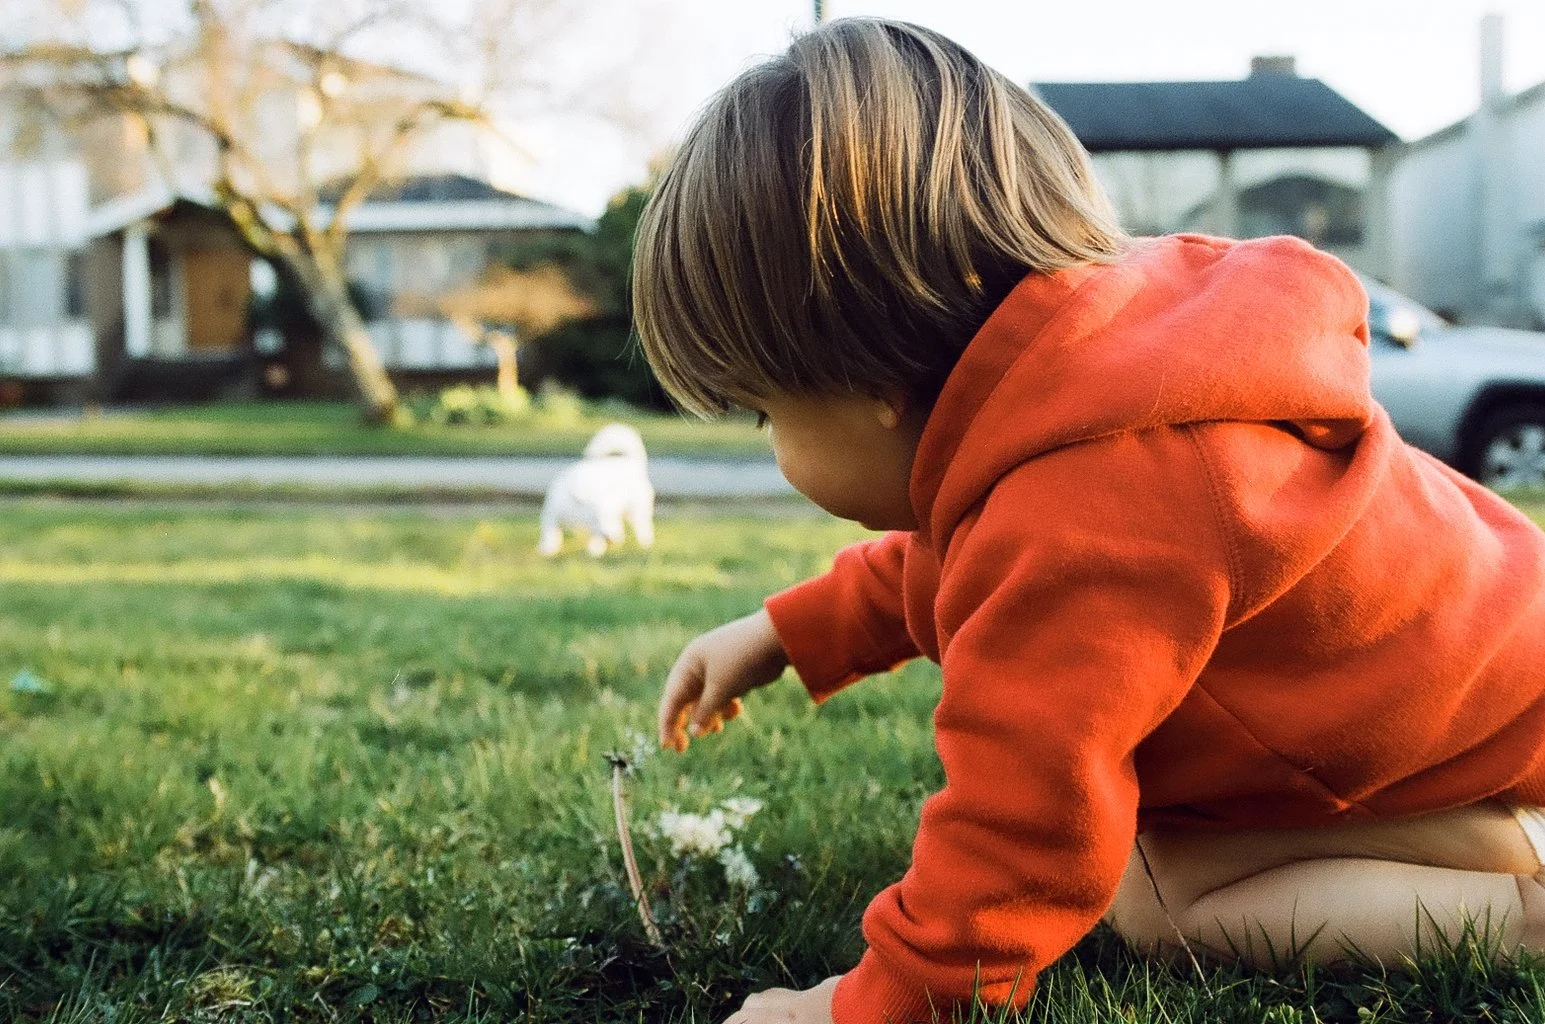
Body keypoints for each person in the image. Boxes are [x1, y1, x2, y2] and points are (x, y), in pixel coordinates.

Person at [631, 17, 1545, 1024]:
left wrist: (863, 1008)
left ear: (868, 380)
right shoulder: (1089, 398)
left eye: (766, 411)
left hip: (1507, 740)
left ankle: (1523, 894)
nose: (771, 442)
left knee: (1164, 899)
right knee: (1152, 861)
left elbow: (1022, 830)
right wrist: (788, 630)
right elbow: (960, 556)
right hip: (1487, 691)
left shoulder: (1090, 500)